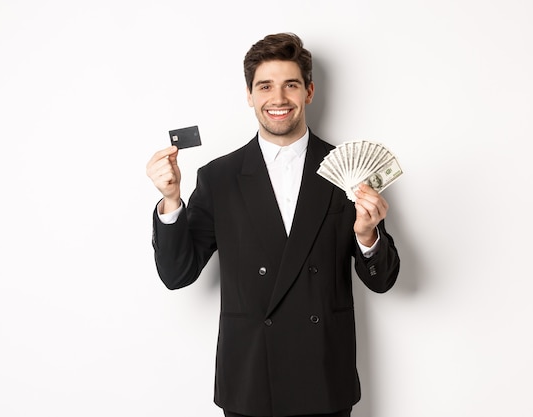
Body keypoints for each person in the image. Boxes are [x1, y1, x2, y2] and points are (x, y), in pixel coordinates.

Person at [146, 33, 400, 417]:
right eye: (265, 86)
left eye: (291, 85)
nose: (278, 99)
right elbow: (176, 273)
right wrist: (170, 200)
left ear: (309, 92)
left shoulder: (348, 173)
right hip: (249, 380)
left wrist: (367, 235)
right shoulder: (219, 177)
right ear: (249, 95)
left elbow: (383, 280)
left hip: (324, 380)